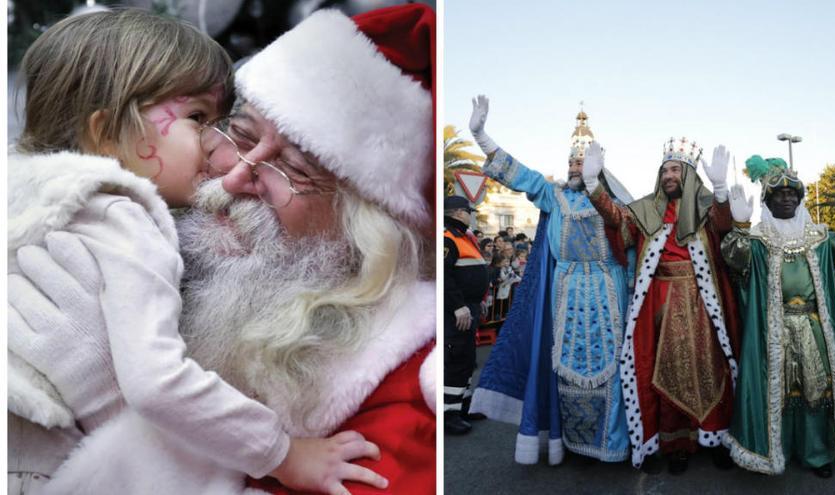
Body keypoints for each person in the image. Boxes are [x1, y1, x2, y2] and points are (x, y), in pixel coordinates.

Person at [10, 4, 436, 494]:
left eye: (294, 169)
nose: (234, 176)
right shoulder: (132, 221)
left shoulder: (402, 385)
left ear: (365, 227)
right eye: (240, 133)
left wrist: (105, 411)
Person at [468, 95, 634, 464]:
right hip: (567, 288)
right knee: (564, 366)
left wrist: (595, 184)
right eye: (572, 161)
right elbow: (521, 174)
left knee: (611, 368)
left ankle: (611, 441)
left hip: (607, 289)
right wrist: (482, 136)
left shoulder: (616, 199)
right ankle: (568, 440)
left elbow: (625, 230)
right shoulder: (554, 194)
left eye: (583, 162)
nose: (575, 166)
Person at [583, 138, 740, 474]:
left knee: (712, 370)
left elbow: (728, 228)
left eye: (675, 169)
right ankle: (676, 444)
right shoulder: (645, 210)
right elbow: (615, 218)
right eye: (665, 170)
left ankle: (716, 435)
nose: (669, 175)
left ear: (688, 174)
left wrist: (722, 188)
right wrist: (593, 185)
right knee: (667, 372)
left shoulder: (706, 207)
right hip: (661, 306)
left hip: (704, 305)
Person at [721, 157, 835, 477]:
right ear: (768, 200)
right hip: (773, 331)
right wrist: (740, 227)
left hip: (813, 327)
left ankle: (816, 453)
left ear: (800, 199)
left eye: (793, 193)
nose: (787, 198)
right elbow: (735, 258)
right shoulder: (759, 239)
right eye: (779, 194)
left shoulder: (817, 237)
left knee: (816, 394)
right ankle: (781, 449)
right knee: (780, 395)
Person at [444, 195, 490, 435]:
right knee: (456, 359)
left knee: (467, 359)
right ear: (459, 212)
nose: (470, 215)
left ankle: (463, 405)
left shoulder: (463, 236)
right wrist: (458, 306)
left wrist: (478, 301)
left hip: (468, 307)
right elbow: (445, 276)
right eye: (468, 211)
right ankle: (449, 413)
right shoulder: (447, 236)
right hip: (456, 312)